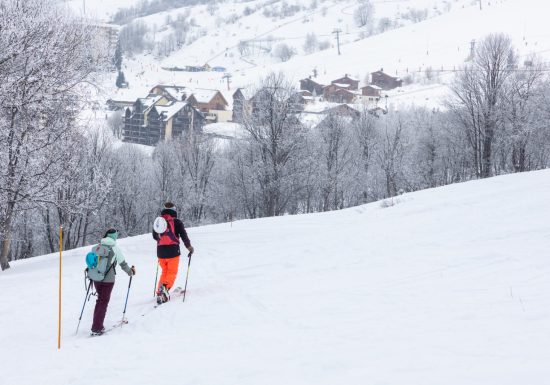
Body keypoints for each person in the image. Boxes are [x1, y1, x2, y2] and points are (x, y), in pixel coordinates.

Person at [89, 228, 135, 336]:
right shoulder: (115, 248)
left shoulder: (97, 247)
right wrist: (130, 272)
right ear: (114, 237)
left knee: (100, 300)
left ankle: (96, 325)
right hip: (108, 280)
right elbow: (123, 264)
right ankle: (97, 327)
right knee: (103, 302)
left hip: (96, 278)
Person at [152, 202, 194, 304]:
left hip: (160, 252)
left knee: (165, 272)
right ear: (174, 210)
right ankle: (165, 290)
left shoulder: (158, 221)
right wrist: (189, 247)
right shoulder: (177, 222)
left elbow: (155, 236)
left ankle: (160, 291)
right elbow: (184, 236)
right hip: (173, 251)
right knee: (171, 272)